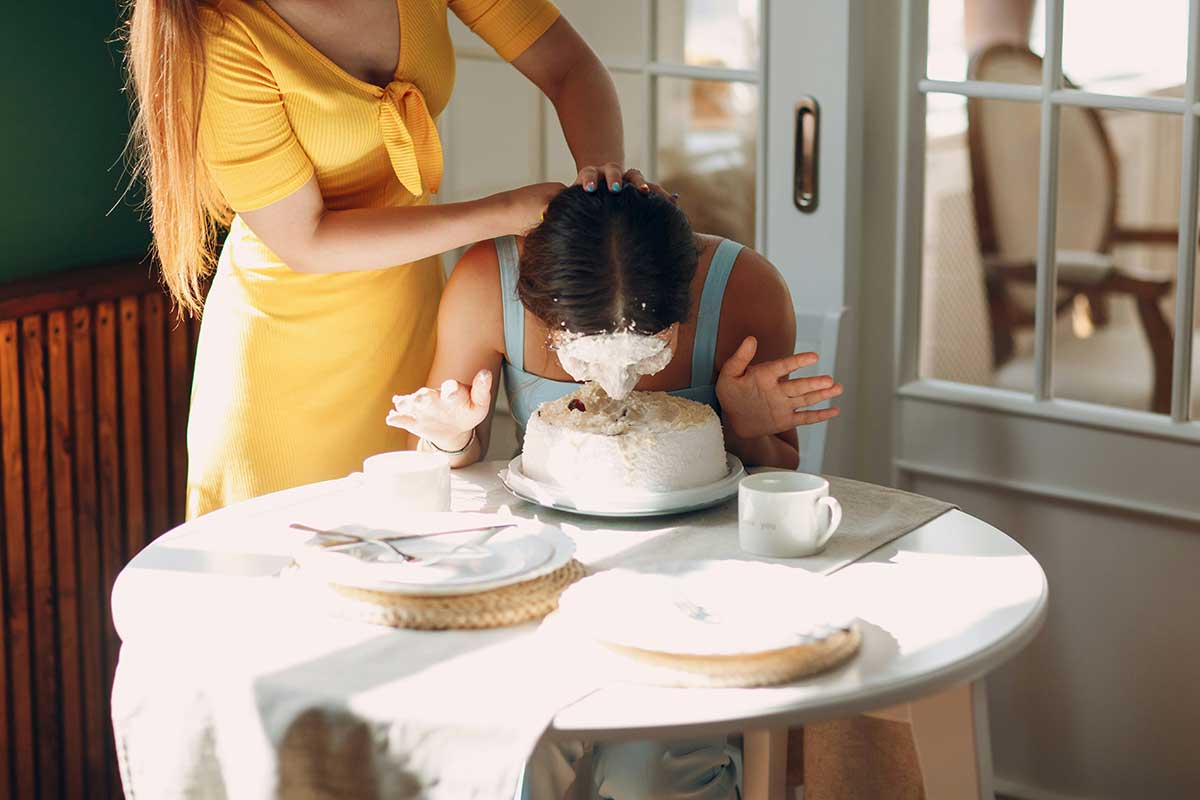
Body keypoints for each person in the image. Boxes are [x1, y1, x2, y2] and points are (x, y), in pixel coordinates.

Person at [385, 183, 843, 798]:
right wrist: (448, 435)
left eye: (644, 356)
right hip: (540, 575)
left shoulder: (747, 289)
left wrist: (748, 426)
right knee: (509, 749)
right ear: (534, 304)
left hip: (698, 587)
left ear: (688, 299)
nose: (618, 384)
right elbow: (451, 457)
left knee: (647, 774)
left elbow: (777, 476)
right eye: (587, 360)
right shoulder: (483, 282)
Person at [124, 0, 639, 518]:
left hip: (413, 319)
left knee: (413, 547)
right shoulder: (221, 28)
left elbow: (568, 67)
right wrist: (504, 212)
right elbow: (305, 240)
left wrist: (602, 186)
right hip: (286, 364)